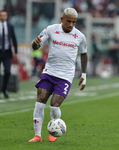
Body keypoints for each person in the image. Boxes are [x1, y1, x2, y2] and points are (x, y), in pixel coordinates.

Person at [28, 8, 88, 143]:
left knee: (55, 105)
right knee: (40, 102)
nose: (71, 25)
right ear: (62, 19)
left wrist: (83, 74)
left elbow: (84, 53)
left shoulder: (80, 36)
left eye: (74, 22)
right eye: (68, 21)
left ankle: (53, 132)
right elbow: (35, 47)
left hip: (65, 76)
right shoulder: (51, 29)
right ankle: (37, 135)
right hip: (49, 73)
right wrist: (35, 43)